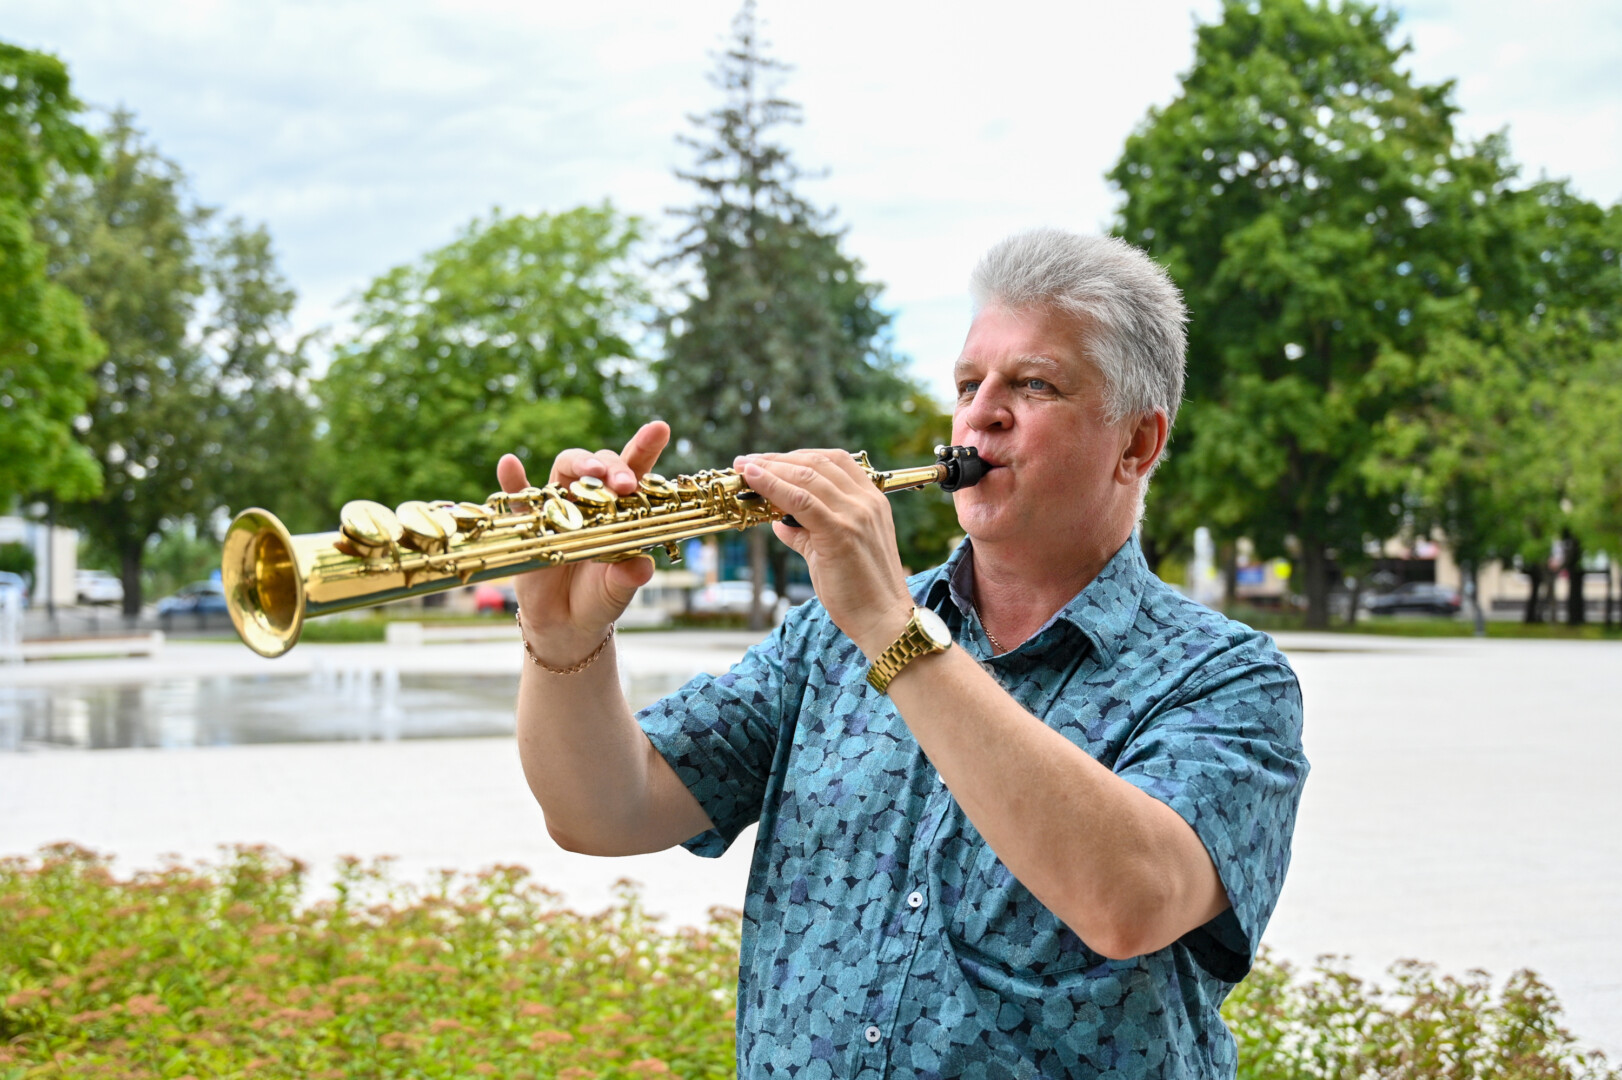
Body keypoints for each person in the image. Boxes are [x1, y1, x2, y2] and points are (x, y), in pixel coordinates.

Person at [496, 228, 1308, 1079]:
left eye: (1034, 384)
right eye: (968, 384)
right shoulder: (824, 635)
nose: (980, 413)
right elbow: (605, 812)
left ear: (1137, 445)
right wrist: (564, 642)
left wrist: (893, 629)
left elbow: (1130, 901)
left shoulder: (1225, 678)